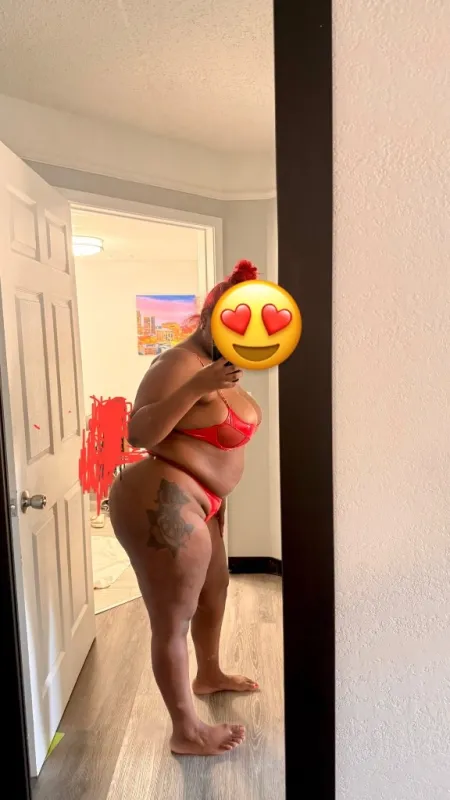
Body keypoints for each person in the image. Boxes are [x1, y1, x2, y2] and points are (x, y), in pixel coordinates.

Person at [109, 260, 262, 756]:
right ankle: (186, 731)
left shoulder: (223, 366)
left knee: (214, 592)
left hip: (202, 502)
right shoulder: (178, 364)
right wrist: (197, 386)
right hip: (162, 499)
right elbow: (139, 432)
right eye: (233, 324)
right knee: (172, 617)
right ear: (209, 319)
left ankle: (209, 674)